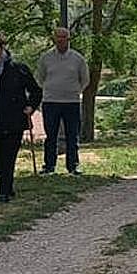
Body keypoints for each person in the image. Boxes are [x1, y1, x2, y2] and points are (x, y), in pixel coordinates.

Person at [0, 30, 42, 203]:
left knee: (9, 155)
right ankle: (8, 186)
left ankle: (4, 191)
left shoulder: (18, 68)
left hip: (14, 118)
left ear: (1, 48)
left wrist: (31, 106)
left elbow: (36, 91)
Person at [35, 27, 90, 176]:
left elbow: (85, 79)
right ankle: (49, 166)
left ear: (68, 39)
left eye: (64, 37)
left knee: (72, 135)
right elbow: (40, 78)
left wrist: (75, 91)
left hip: (71, 102)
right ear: (54, 39)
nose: (61, 40)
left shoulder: (78, 59)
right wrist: (50, 89)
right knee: (51, 136)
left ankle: (73, 166)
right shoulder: (46, 58)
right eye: (58, 37)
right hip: (50, 102)